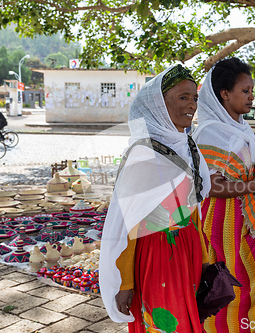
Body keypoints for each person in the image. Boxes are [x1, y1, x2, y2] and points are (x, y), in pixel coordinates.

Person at [99, 65, 212, 332]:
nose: (192, 105)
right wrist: (125, 282)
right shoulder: (143, 154)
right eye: (183, 97)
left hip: (189, 251)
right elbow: (127, 225)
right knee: (166, 324)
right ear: (158, 104)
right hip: (156, 256)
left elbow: (192, 209)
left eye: (194, 97)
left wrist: (205, 258)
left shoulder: (187, 147)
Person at [193, 58, 255, 332]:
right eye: (245, 91)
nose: (252, 96)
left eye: (251, 90)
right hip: (221, 228)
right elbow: (213, 187)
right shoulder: (211, 133)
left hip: (247, 223)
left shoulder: (239, 128)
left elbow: (244, 175)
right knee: (228, 294)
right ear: (224, 94)